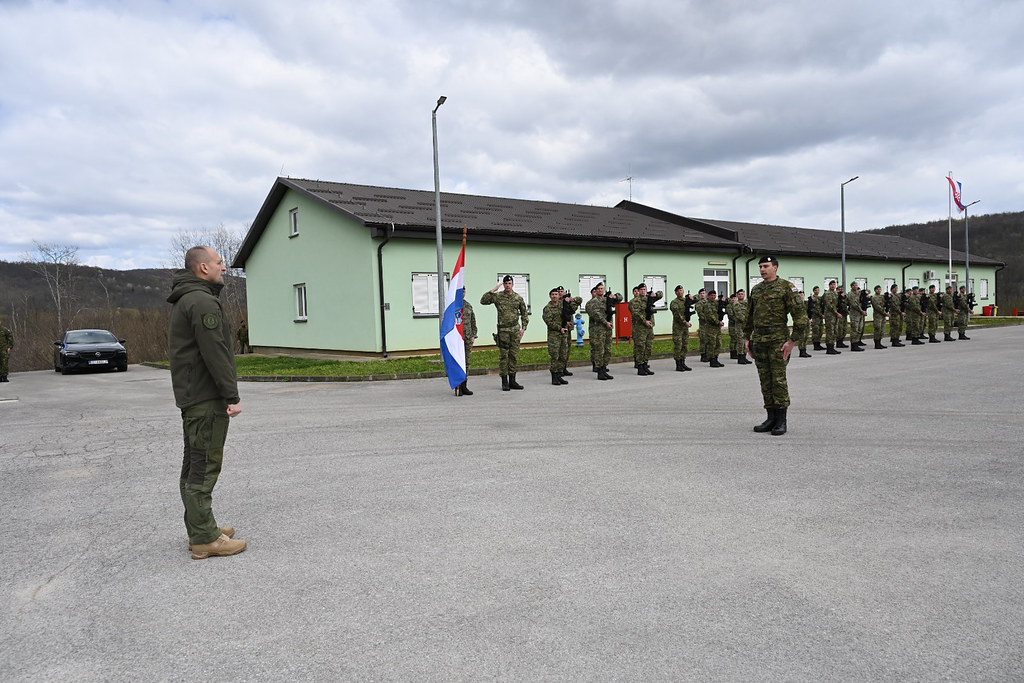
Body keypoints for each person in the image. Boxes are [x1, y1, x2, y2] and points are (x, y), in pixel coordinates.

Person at [168, 245, 247, 560]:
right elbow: (215, 352)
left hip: (194, 396)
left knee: (193, 466)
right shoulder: (201, 302)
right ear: (203, 268)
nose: (223, 267)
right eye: (218, 262)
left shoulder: (189, 298)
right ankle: (205, 539)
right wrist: (231, 395)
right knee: (203, 468)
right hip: (205, 398)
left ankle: (201, 527)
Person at [743, 255, 808, 436]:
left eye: (766, 266)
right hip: (759, 341)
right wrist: (747, 338)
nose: (762, 270)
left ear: (775, 267)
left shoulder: (787, 287)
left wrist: (792, 341)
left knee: (778, 380)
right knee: (765, 380)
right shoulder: (756, 289)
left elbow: (801, 317)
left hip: (778, 341)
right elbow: (749, 316)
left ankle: (781, 420)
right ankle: (770, 418)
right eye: (760, 267)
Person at [481, 275, 529, 390]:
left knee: (513, 355)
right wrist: (493, 291)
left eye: (509, 283)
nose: (508, 285)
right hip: (503, 331)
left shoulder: (518, 298)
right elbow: (483, 301)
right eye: (506, 283)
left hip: (515, 331)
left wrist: (523, 328)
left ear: (513, 284)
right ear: (503, 284)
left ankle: (512, 380)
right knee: (504, 356)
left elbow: (524, 313)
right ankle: (504, 381)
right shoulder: (498, 296)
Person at [585, 282, 617, 380]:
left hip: (607, 329)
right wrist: (605, 322)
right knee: (599, 350)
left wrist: (614, 296)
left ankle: (604, 368)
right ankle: (599, 371)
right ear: (596, 290)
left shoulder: (607, 300)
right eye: (598, 289)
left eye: (602, 288)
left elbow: (620, 298)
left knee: (608, 350)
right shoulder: (592, 302)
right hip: (597, 330)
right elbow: (595, 314)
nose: (600, 290)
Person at [629, 283, 661, 375]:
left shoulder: (648, 298)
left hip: (649, 327)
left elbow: (660, 295)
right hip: (639, 328)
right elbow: (636, 313)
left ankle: (645, 364)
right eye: (641, 290)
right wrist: (644, 321)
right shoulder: (634, 301)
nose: (643, 291)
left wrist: (655, 294)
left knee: (648, 347)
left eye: (644, 289)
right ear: (638, 291)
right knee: (640, 347)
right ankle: (640, 366)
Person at [542, 287, 571, 385]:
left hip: (563, 335)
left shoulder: (562, 305)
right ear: (550, 296)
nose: (554, 296)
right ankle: (554, 376)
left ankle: (559, 374)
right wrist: (559, 328)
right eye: (552, 294)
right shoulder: (547, 308)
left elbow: (567, 314)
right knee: (555, 356)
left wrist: (567, 322)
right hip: (554, 335)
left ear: (559, 296)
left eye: (556, 294)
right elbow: (549, 322)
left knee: (563, 355)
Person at [697, 290, 725, 367]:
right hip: (710, 327)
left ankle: (716, 358)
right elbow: (710, 316)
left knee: (718, 343)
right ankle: (712, 360)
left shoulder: (716, 303)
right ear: (708, 296)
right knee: (711, 344)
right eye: (711, 295)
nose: (713, 297)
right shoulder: (707, 305)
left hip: (717, 327)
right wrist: (718, 322)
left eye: (714, 295)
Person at [668, 286, 694, 372]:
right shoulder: (674, 302)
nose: (680, 292)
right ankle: (678, 364)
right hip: (678, 327)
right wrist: (685, 322)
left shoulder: (686, 300)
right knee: (678, 345)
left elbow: (698, 298)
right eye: (678, 291)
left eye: (681, 290)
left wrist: (692, 297)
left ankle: (683, 362)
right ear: (676, 292)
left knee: (685, 345)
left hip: (685, 327)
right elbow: (677, 315)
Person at [557, 286, 581, 376]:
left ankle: (564, 367)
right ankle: (558, 369)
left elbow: (579, 300)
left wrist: (571, 299)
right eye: (559, 291)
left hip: (568, 329)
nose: (560, 293)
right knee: (560, 350)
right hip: (559, 329)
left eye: (562, 291)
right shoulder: (556, 302)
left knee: (567, 349)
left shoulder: (568, 301)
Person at [456, 300, 477, 396]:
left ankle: (464, 386)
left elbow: (473, 321)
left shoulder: (468, 305)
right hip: (457, 338)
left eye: (464, 292)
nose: (463, 293)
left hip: (467, 337)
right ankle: (458, 386)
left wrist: (473, 335)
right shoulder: (453, 306)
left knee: (466, 362)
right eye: (461, 292)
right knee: (458, 362)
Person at [822, 280, 842, 355]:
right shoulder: (827, 293)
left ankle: (832, 347)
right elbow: (829, 305)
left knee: (835, 331)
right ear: (829, 285)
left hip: (835, 315)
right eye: (832, 284)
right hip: (830, 314)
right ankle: (829, 348)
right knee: (830, 331)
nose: (833, 286)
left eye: (834, 284)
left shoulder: (836, 293)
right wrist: (836, 312)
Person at [846, 282, 866, 351]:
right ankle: (853, 345)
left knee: (860, 329)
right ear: (851, 286)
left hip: (860, 314)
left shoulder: (858, 293)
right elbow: (854, 304)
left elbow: (865, 295)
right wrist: (861, 310)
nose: (855, 286)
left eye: (856, 285)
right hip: (854, 314)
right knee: (855, 329)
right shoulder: (850, 294)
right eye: (854, 285)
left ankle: (857, 343)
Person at [794, 291, 812, 358]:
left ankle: (804, 350)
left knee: (806, 336)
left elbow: (810, 311)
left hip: (807, 321)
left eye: (802, 294)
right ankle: (801, 351)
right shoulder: (797, 304)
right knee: (801, 337)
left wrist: (810, 319)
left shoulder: (807, 303)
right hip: (801, 322)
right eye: (800, 295)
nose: (801, 296)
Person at [870, 284, 888, 349]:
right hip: (877, 315)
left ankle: (879, 342)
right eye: (877, 289)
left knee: (882, 329)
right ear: (875, 290)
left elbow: (886, 303)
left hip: (883, 315)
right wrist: (884, 312)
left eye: (880, 289)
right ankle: (876, 344)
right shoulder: (874, 297)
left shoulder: (882, 297)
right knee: (878, 329)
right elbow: (877, 307)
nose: (879, 290)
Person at [809, 286, 825, 351]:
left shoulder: (820, 298)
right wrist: (821, 315)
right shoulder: (812, 298)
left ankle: (818, 344)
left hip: (820, 317)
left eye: (818, 290)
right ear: (813, 291)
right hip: (815, 317)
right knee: (816, 331)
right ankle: (815, 345)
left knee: (820, 331)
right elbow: (814, 309)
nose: (817, 291)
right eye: (815, 290)